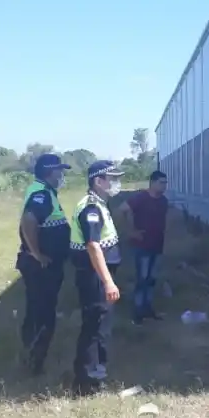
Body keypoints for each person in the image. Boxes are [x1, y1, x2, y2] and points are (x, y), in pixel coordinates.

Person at [69, 160, 124, 395]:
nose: (115, 183)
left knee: (97, 325)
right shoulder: (91, 208)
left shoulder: (100, 204)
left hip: (98, 274)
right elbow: (93, 245)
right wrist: (108, 281)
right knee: (97, 328)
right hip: (96, 276)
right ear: (98, 181)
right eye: (111, 178)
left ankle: (87, 376)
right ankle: (90, 381)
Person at [16, 153, 71, 376]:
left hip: (44, 265)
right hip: (41, 267)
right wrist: (37, 253)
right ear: (50, 172)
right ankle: (34, 361)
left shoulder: (45, 191)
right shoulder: (41, 194)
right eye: (60, 170)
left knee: (36, 308)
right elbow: (29, 220)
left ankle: (30, 352)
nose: (62, 174)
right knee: (43, 313)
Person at [119, 170, 169, 325]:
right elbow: (123, 209)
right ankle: (138, 312)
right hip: (142, 246)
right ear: (152, 183)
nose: (164, 186)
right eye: (161, 182)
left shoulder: (163, 201)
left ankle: (148, 309)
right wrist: (131, 231)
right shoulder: (140, 198)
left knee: (151, 279)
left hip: (157, 245)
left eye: (165, 183)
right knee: (142, 278)